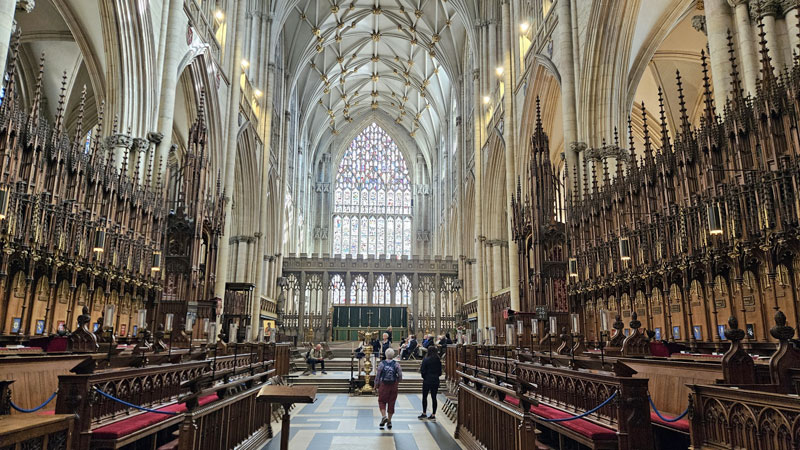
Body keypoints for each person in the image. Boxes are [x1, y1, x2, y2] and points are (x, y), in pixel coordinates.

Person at [375, 347, 403, 430]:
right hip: (393, 385)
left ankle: (384, 416)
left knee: (381, 401)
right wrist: (398, 381)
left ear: (385, 355)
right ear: (393, 355)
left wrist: (376, 384)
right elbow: (400, 374)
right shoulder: (396, 364)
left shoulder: (382, 363)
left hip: (384, 384)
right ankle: (389, 421)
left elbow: (378, 375)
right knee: (391, 402)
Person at [418, 344, 442, 420]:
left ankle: (424, 413)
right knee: (434, 397)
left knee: (424, 396)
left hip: (427, 380)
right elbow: (440, 372)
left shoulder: (426, 359)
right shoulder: (438, 360)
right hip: (435, 380)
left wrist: (424, 376)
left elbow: (422, 370)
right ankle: (433, 414)